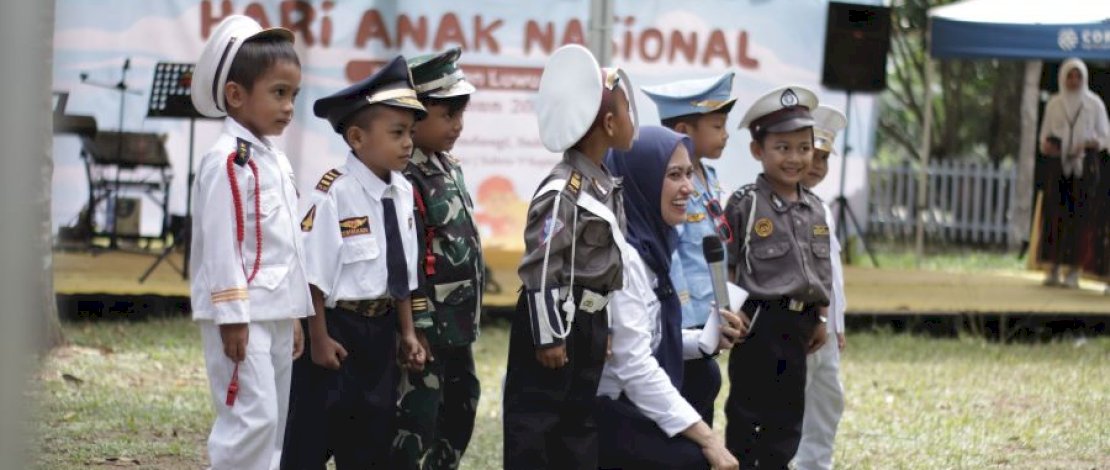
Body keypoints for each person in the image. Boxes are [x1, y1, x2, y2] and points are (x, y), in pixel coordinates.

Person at [281, 55, 427, 469]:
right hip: (335, 329)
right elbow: (313, 276)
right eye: (397, 133)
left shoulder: (401, 192)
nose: (407, 143)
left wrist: (407, 333)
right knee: (311, 435)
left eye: (411, 133)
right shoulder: (334, 193)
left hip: (379, 333)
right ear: (358, 138)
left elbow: (400, 274)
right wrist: (319, 339)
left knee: (371, 436)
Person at [502, 44, 638, 470]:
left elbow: (604, 271)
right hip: (557, 320)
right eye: (629, 111)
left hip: (587, 322)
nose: (635, 121)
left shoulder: (603, 186)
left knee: (579, 422)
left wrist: (603, 325)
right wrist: (549, 334)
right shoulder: (564, 190)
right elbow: (543, 264)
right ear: (611, 124)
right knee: (536, 425)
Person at [188, 15, 312, 470]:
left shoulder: (273, 160)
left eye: (293, 95)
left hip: (276, 310)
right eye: (278, 93)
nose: (288, 106)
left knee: (274, 420)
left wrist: (295, 312)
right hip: (243, 314)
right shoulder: (227, 161)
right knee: (249, 419)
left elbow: (287, 243)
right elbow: (221, 246)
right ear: (236, 95)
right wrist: (232, 316)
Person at [596, 125, 742, 470]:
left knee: (704, 372)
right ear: (640, 180)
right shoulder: (624, 255)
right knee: (695, 460)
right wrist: (707, 438)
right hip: (605, 409)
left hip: (629, 397)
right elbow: (633, 364)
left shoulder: (654, 243)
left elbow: (646, 335)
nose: (688, 188)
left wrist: (703, 340)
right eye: (674, 175)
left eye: (689, 173)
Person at [723, 85, 832, 469]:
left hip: (799, 324)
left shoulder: (816, 208)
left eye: (803, 148)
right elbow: (728, 264)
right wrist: (729, 313)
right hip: (758, 322)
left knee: (787, 418)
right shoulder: (746, 202)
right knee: (747, 413)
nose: (795, 158)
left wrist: (819, 317)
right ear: (758, 151)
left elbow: (820, 271)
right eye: (782, 148)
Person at [392, 47, 484, 470]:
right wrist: (418, 325)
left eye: (460, 114)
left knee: (461, 404)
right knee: (417, 418)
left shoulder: (447, 165)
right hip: (428, 328)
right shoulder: (405, 175)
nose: (457, 126)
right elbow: (408, 258)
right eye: (447, 115)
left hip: (458, 325)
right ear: (415, 113)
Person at [642, 72, 738, 426]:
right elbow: (674, 254)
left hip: (707, 315)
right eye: (717, 125)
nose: (725, 134)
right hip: (684, 322)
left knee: (703, 393)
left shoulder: (708, 177)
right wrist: (682, 321)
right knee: (684, 400)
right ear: (684, 129)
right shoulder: (669, 185)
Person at [793, 105, 848, 470]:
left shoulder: (822, 207)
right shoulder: (777, 203)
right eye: (813, 153)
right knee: (792, 403)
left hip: (825, 329)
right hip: (800, 324)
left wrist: (838, 325)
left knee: (828, 399)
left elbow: (833, 274)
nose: (817, 165)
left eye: (825, 158)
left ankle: (816, 464)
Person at [1038, 58, 1110, 289]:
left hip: (1084, 169)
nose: (1074, 81)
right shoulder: (1054, 104)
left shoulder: (1094, 104)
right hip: (1058, 167)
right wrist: (1048, 147)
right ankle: (1053, 267)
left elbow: (1105, 137)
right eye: (1069, 76)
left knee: (1080, 219)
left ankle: (1074, 270)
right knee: (1055, 216)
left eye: (1078, 76)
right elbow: (1044, 135)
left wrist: (1090, 143)